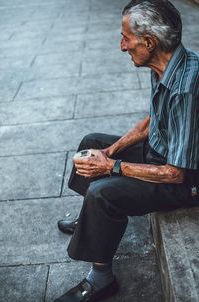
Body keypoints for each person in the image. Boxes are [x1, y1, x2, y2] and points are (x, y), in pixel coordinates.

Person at [55, 0, 199, 301]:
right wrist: (109, 150)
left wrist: (111, 167)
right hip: (160, 153)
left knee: (102, 192)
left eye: (126, 38)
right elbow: (152, 120)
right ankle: (94, 223)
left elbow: (175, 173)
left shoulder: (186, 86)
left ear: (149, 42)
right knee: (91, 143)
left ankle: (101, 278)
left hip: (184, 182)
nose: (122, 46)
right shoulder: (164, 63)